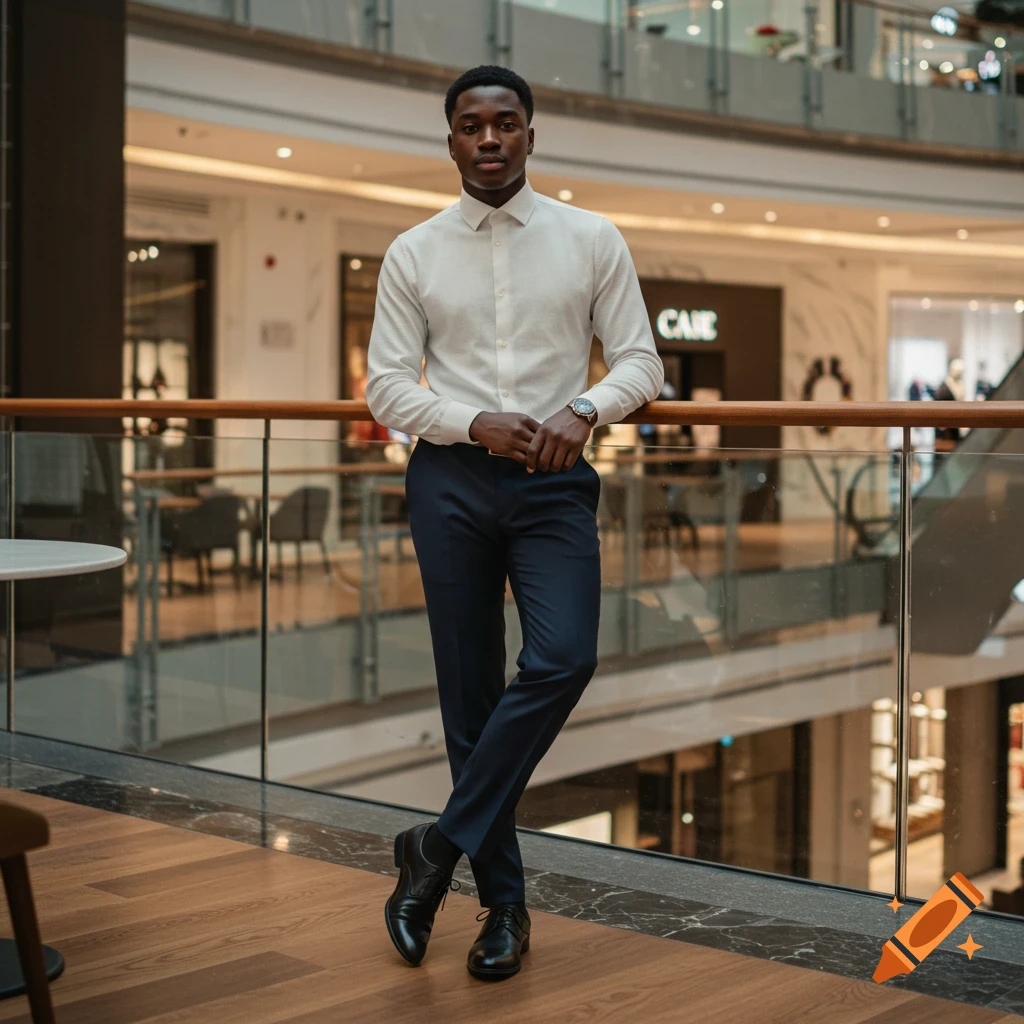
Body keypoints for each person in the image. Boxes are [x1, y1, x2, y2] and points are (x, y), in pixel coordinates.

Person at [366, 65, 663, 981]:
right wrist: (468, 421)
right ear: (449, 140)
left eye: (505, 123)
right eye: (470, 125)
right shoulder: (412, 251)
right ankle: (503, 907)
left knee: (566, 654)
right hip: (449, 482)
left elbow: (644, 364)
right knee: (469, 693)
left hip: (555, 484)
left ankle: (435, 850)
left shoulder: (591, 237)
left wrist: (585, 409)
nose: (488, 138)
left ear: (533, 135)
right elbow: (385, 385)